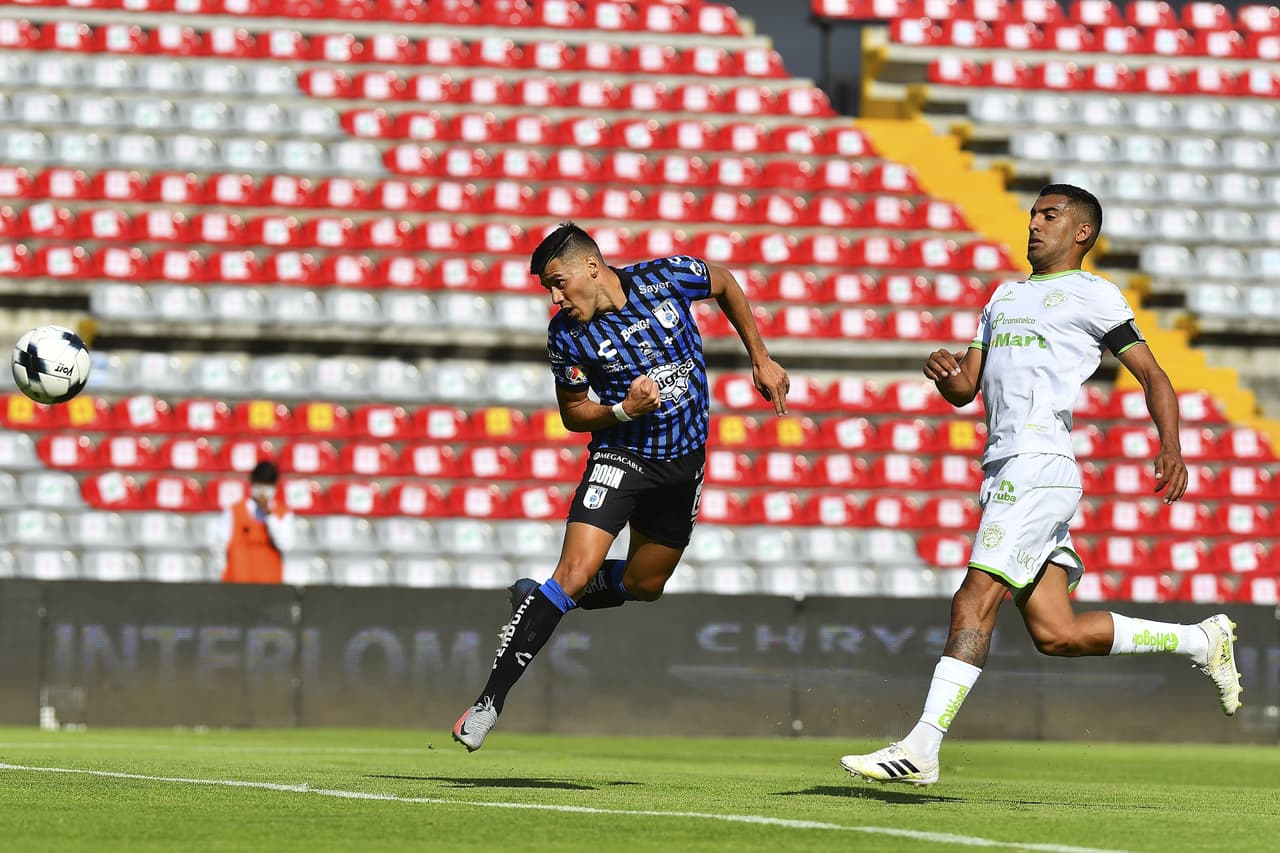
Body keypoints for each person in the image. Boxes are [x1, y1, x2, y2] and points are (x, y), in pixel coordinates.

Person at [840, 184, 1242, 787]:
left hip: (1038, 463)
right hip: (1004, 465)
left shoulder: (1095, 295)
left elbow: (1155, 376)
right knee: (1058, 634)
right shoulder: (1002, 296)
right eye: (1032, 214)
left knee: (973, 599)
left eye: (1049, 215)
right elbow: (966, 388)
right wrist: (946, 372)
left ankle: (922, 748)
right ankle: (1200, 640)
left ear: (1082, 232)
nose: (1034, 224)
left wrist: (1172, 446)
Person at [452, 222, 790, 751]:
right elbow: (573, 414)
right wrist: (622, 410)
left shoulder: (667, 278)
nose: (556, 297)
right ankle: (489, 702)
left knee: (645, 585)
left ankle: (536, 600)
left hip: (682, 465)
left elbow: (723, 281)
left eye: (560, 282)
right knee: (574, 572)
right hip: (622, 457)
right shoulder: (565, 336)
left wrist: (759, 356)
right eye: (548, 289)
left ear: (592, 266)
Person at [214, 460, 295, 584]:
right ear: (252, 482)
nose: (263, 490)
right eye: (260, 483)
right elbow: (219, 547)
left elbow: (285, 545)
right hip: (236, 587)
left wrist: (269, 515)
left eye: (267, 484)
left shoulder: (283, 514)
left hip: (270, 589)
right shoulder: (233, 512)